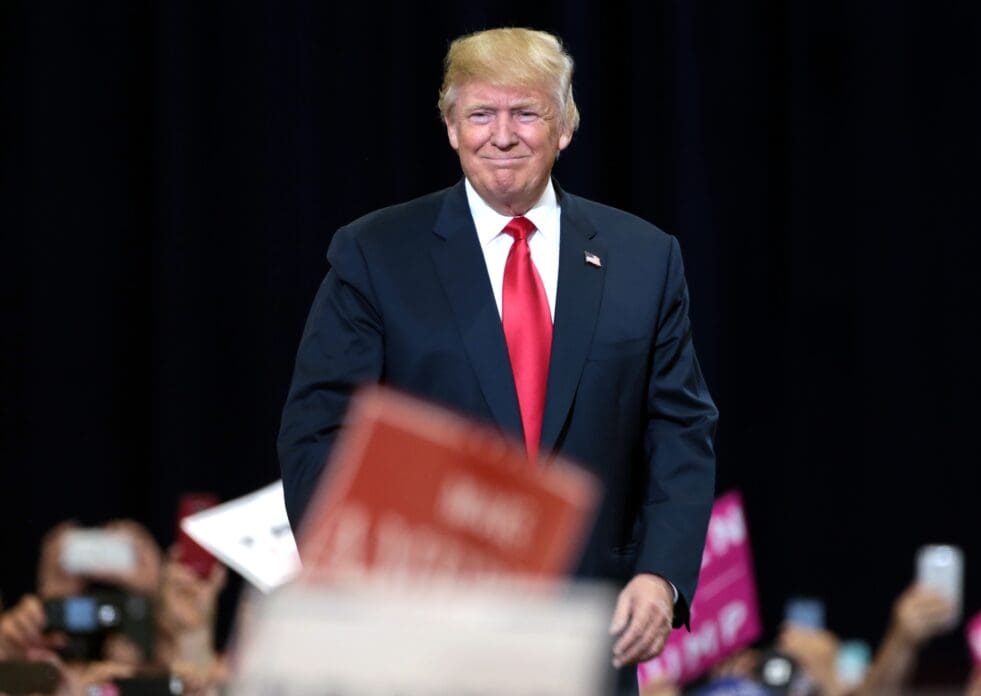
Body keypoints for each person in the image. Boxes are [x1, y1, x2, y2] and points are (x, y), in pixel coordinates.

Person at [277, 26, 718, 687]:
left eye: (526, 112)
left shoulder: (644, 258)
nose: (502, 135)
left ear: (564, 126)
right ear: (452, 127)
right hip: (420, 636)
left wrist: (660, 575)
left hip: (588, 632)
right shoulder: (375, 254)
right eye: (481, 113)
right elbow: (320, 434)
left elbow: (679, 431)